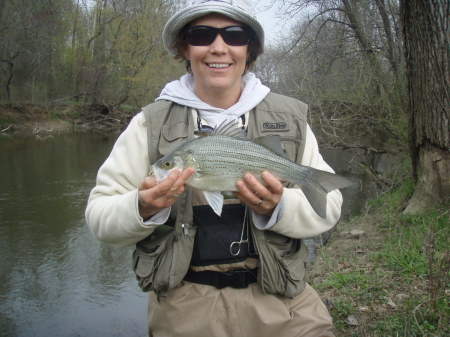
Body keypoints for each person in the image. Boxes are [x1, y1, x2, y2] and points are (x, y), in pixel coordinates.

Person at [85, 1, 344, 336]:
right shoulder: (149, 124)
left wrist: (280, 206)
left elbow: (330, 208)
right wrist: (142, 206)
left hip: (284, 302)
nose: (218, 47)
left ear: (249, 49)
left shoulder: (291, 118)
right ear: (184, 47)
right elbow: (99, 218)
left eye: (234, 36)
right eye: (201, 34)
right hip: (185, 308)